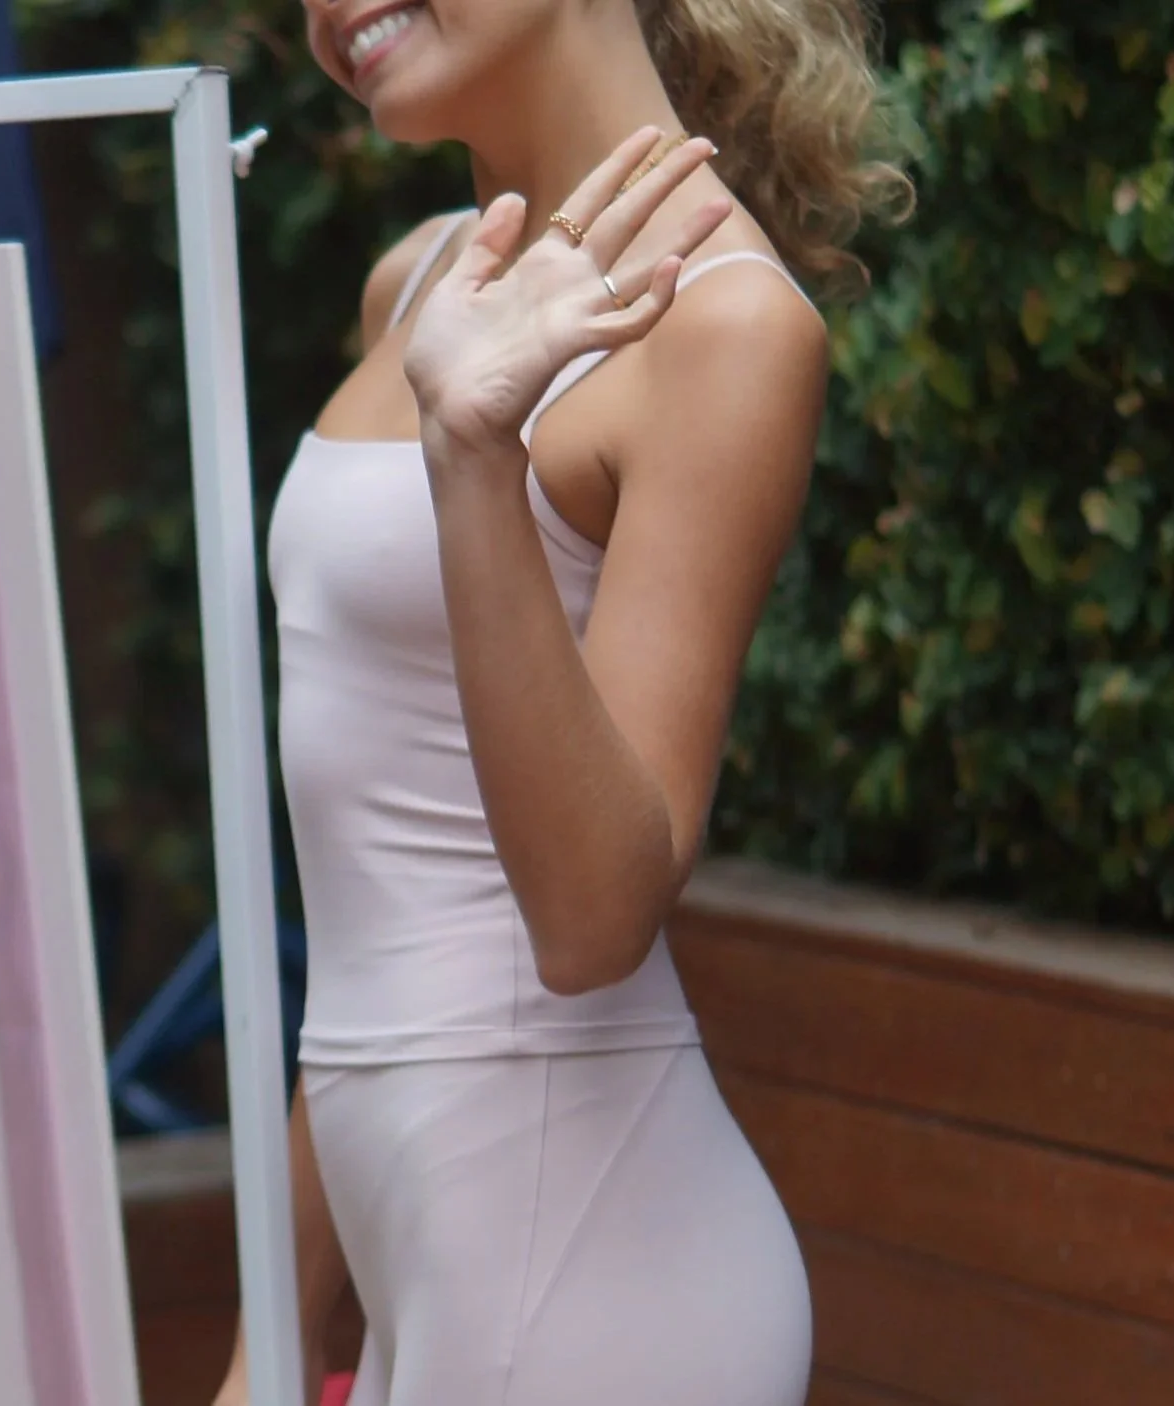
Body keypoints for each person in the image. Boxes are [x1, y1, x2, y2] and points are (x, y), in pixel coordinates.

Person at [213, 2, 907, 1404]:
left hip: (600, 1281)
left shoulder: (724, 324)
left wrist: (475, 456)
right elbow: (382, 914)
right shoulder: (415, 286)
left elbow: (596, 918)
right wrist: (263, 1346)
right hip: (435, 1274)